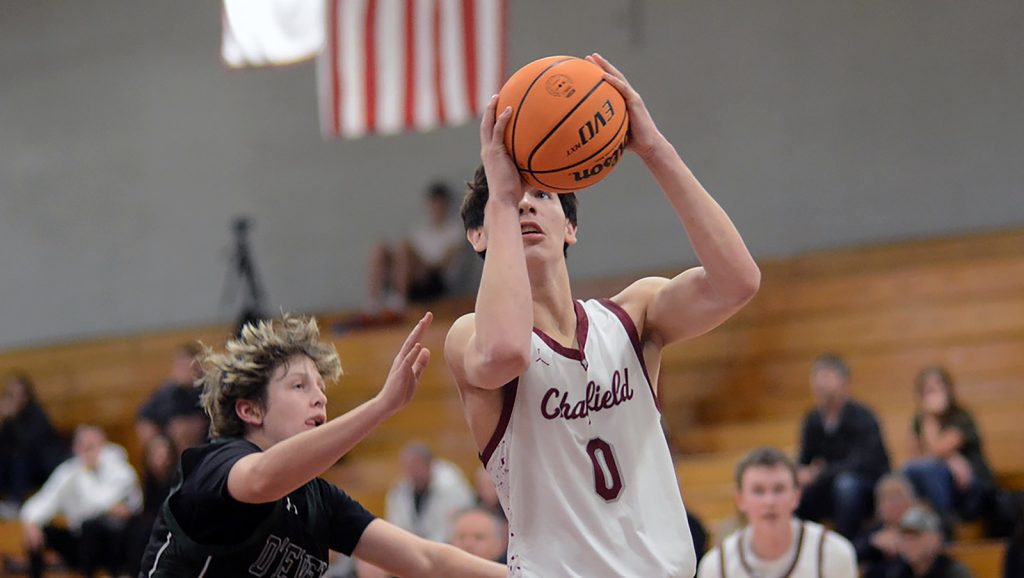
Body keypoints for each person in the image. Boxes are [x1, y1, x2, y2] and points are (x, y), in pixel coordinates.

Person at [445, 53, 761, 577]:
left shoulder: (633, 317)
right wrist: (499, 197)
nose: (525, 206)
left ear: (570, 227)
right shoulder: (470, 336)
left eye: (540, 195)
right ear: (478, 235)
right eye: (511, 201)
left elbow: (739, 282)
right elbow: (507, 353)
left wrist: (654, 149)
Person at [138, 314, 504, 577]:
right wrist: (381, 406)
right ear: (250, 409)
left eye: (321, 389)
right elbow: (262, 478)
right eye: (300, 386)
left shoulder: (319, 500)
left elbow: (425, 559)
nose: (319, 399)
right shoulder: (214, 464)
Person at [696, 447, 857, 578]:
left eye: (779, 489)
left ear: (796, 496)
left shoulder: (833, 554)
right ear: (740, 500)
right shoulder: (716, 565)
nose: (769, 501)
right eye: (758, 491)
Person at [20, 425, 143, 578]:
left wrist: (84, 473)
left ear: (103, 444)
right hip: (82, 544)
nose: (87, 452)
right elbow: (45, 498)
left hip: (114, 544)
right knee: (39, 529)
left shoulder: (119, 467)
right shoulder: (69, 470)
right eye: (82, 447)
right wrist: (31, 521)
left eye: (92, 446)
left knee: (92, 526)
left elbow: (100, 502)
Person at [796, 353, 891, 538]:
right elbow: (805, 457)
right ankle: (809, 546)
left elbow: (863, 463)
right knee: (796, 491)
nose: (820, 384)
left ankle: (848, 544)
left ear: (844, 382)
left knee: (846, 485)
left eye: (826, 377)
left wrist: (820, 473)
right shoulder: (812, 420)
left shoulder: (863, 416)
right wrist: (798, 473)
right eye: (816, 378)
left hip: (867, 487)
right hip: (829, 486)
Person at [903, 366, 993, 521]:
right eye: (929, 390)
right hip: (941, 479)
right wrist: (952, 460)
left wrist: (930, 418)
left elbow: (939, 449)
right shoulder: (918, 420)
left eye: (938, 387)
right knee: (909, 472)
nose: (934, 394)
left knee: (932, 469)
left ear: (948, 390)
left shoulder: (960, 416)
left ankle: (944, 521)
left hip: (970, 484)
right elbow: (915, 459)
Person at [366, 181, 464, 318]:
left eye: (440, 204)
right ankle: (373, 304)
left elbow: (442, 265)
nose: (436, 208)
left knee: (403, 247)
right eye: (433, 204)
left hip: (435, 281)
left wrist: (418, 263)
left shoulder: (454, 230)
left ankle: (399, 301)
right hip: (413, 280)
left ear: (446, 206)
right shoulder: (420, 231)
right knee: (380, 248)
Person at [0, 372, 65, 511]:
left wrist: (12, 419)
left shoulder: (37, 414)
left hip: (43, 465)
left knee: (21, 458)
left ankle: (14, 503)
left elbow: (29, 445)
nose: (13, 399)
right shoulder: (8, 418)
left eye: (16, 394)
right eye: (9, 395)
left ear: (26, 396)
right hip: (18, 468)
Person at [385, 443, 475, 543]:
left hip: (447, 547)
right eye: (407, 467)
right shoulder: (399, 490)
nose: (411, 471)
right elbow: (396, 526)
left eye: (416, 466)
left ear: (429, 464)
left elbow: (453, 527)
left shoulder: (452, 486)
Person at [135, 342, 209, 453]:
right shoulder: (165, 393)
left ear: (198, 367)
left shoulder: (209, 391)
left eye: (186, 366)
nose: (183, 371)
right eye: (179, 365)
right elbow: (144, 419)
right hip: (173, 453)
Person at [123, 434, 178, 577]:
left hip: (172, 521)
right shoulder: (148, 479)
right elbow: (146, 507)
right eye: (155, 453)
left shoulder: (177, 477)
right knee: (134, 531)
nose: (159, 458)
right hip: (153, 520)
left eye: (162, 453)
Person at [854, 474, 921, 578]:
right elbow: (853, 554)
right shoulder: (872, 530)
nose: (889, 504)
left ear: (910, 500)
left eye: (895, 498)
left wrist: (904, 544)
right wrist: (873, 542)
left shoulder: (920, 526)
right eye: (883, 499)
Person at [889, 505, 972, 578]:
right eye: (904, 537)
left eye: (916, 536)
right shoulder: (900, 572)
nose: (909, 543)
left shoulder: (953, 572)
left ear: (936, 538)